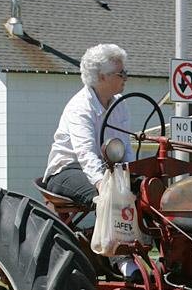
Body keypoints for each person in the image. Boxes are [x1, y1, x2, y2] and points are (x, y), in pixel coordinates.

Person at [43, 43, 133, 206]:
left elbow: (125, 148)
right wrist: (103, 186)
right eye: (121, 73)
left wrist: (133, 175)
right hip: (68, 171)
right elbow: (85, 153)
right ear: (101, 76)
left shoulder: (120, 104)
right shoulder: (80, 107)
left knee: (144, 190)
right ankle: (108, 232)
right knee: (108, 199)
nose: (125, 77)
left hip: (107, 170)